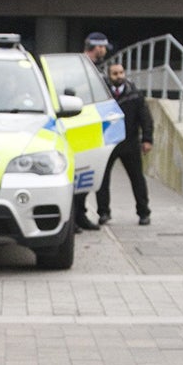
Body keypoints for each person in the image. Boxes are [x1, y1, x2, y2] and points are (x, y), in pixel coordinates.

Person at [96, 63, 152, 226]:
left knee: (137, 179)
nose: (119, 76)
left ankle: (143, 212)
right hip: (108, 142)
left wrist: (147, 139)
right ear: (109, 76)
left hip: (130, 142)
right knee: (103, 180)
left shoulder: (134, 94)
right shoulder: (102, 95)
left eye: (121, 73)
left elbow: (145, 118)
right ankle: (103, 212)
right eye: (115, 73)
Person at [72, 31, 114, 231]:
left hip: (92, 128)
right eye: (103, 47)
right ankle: (73, 218)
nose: (104, 51)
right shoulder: (80, 67)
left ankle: (80, 215)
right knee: (76, 175)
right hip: (78, 126)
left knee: (86, 175)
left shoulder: (94, 69)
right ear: (96, 47)